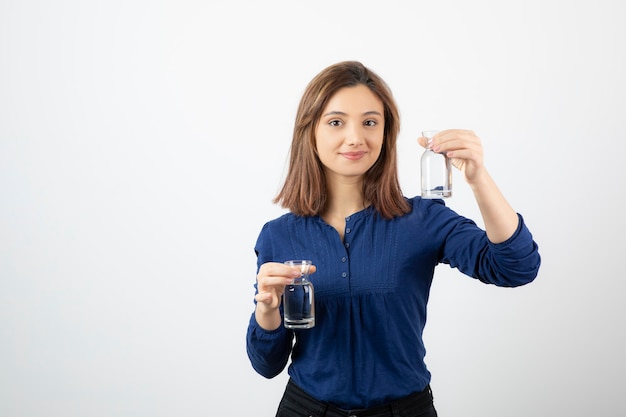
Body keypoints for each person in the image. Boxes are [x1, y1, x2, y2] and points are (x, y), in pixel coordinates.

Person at [246, 61, 541, 417]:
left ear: (386, 133)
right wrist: (266, 309)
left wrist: (479, 178)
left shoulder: (423, 220)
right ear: (310, 132)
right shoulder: (278, 234)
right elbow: (266, 364)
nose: (355, 137)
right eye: (336, 122)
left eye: (370, 122)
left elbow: (517, 267)